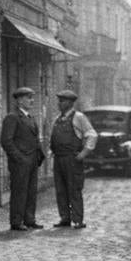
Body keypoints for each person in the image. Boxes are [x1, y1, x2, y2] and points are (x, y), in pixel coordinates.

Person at [49, 88, 97, 229]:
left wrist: (83, 153)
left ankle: (77, 220)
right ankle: (65, 218)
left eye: (62, 101)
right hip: (59, 159)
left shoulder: (79, 117)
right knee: (60, 190)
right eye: (59, 101)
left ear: (70, 103)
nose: (59, 103)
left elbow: (92, 135)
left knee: (74, 189)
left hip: (72, 159)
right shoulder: (57, 119)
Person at [0, 87, 46, 231]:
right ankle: (16, 221)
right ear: (20, 101)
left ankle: (29, 219)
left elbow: (35, 138)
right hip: (20, 162)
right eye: (28, 98)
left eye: (32, 97)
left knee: (31, 191)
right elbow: (6, 141)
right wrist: (19, 158)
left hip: (32, 160)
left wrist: (38, 156)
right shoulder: (12, 117)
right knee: (19, 191)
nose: (32, 100)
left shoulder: (30, 118)